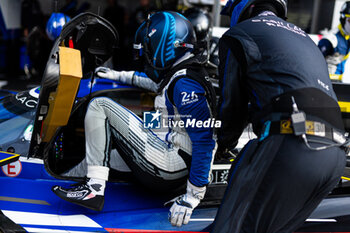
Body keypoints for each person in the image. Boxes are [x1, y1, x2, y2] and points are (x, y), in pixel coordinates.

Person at [52, 11, 217, 227]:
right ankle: (68, 179)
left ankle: (93, 190)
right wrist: (117, 75)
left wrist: (192, 197)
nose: (146, 56)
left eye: (148, 49)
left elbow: (205, 139)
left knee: (101, 106)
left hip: (173, 163)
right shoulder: (181, 72)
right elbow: (156, 86)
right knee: (106, 151)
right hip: (170, 153)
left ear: (165, 43)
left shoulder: (186, 82)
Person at [211, 0, 347, 233]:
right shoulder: (306, 38)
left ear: (242, 7)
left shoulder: (239, 34)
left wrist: (222, 145)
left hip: (293, 144)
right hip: (335, 156)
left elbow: (231, 106)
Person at [318, 1, 350, 81]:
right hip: (326, 82)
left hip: (339, 81)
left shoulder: (347, 37)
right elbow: (313, 61)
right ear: (343, 18)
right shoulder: (330, 39)